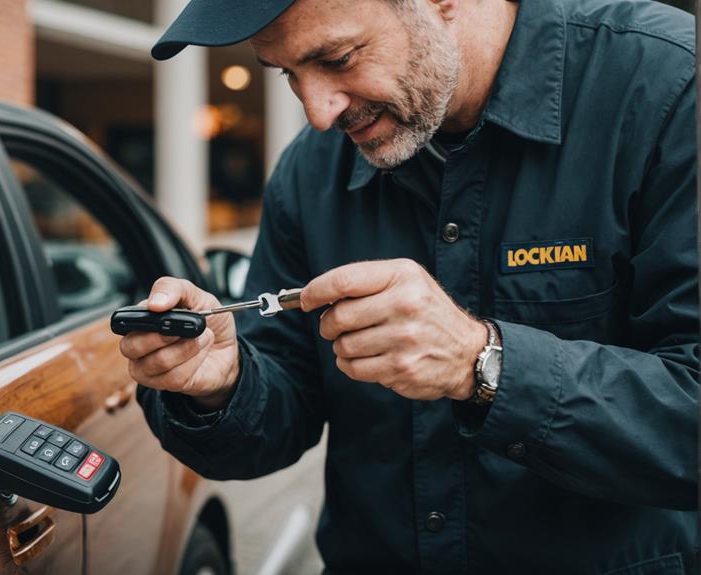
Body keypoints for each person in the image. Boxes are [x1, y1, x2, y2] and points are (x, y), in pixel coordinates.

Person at [120, 0, 700, 572]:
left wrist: (484, 365)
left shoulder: (667, 84)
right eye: (289, 75)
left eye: (339, 57)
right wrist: (222, 387)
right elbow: (283, 405)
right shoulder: (309, 171)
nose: (319, 112)